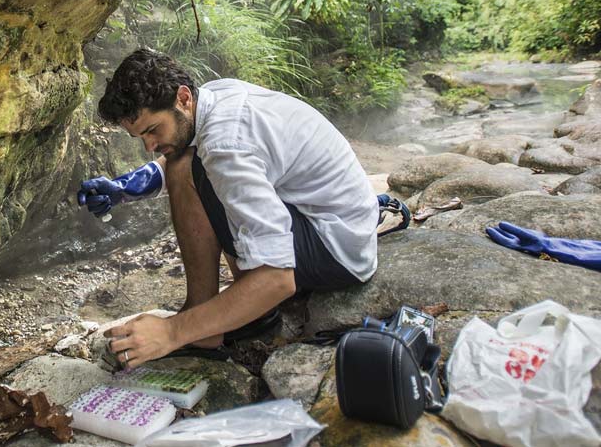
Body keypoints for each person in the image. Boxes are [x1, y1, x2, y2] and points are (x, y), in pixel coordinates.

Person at [78, 48, 396, 369]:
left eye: (152, 130)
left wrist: (172, 332)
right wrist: (126, 187)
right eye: (139, 136)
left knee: (185, 164)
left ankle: (215, 324)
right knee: (182, 161)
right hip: (336, 223)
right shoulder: (216, 96)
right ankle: (213, 313)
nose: (148, 147)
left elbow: (277, 278)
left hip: (337, 251)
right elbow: (187, 154)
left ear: (183, 98)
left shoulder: (225, 145)